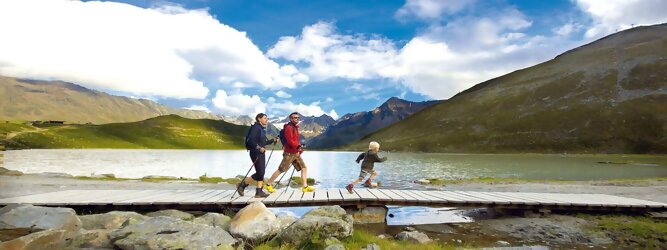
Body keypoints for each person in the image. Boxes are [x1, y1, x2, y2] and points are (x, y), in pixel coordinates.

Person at [263, 112, 316, 193]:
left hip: (295, 153)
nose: (297, 119)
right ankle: (268, 184)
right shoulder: (289, 127)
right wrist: (298, 147)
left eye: (298, 117)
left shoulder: (295, 127)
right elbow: (290, 140)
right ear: (290, 119)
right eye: (295, 117)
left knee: (304, 168)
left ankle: (305, 187)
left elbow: (294, 141)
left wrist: (299, 148)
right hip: (289, 153)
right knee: (281, 170)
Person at [236, 113, 277, 198]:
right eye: (265, 118)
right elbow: (250, 140)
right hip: (255, 152)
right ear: (259, 119)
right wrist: (259, 148)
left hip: (260, 152)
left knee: (261, 172)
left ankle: (258, 192)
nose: (266, 120)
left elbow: (263, 142)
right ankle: (242, 185)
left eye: (267, 118)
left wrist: (273, 140)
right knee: (260, 172)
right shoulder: (256, 128)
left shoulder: (261, 129)